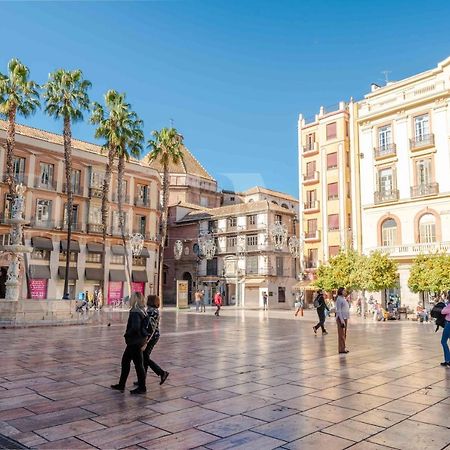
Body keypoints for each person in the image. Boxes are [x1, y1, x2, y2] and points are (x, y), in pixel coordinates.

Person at [111, 292, 149, 395]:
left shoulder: (135, 311)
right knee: (126, 361)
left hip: (134, 341)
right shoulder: (142, 310)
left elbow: (135, 327)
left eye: (131, 298)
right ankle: (122, 384)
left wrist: (127, 334)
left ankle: (142, 387)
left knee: (137, 364)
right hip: (140, 340)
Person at [135, 295, 169, 385]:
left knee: (144, 357)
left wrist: (146, 341)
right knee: (144, 357)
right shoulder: (153, 310)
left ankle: (162, 373)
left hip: (151, 337)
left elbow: (150, 327)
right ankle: (142, 379)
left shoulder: (151, 311)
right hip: (153, 336)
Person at [335, 287, 350, 354]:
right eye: (344, 291)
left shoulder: (343, 298)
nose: (345, 292)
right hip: (341, 318)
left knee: (344, 334)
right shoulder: (338, 299)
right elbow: (338, 310)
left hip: (345, 317)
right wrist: (342, 321)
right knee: (341, 334)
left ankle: (343, 347)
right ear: (341, 291)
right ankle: (341, 349)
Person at [440, 293, 450, 367]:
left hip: (448, 324)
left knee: (443, 341)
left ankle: (448, 360)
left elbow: (442, 312)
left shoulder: (449, 306)